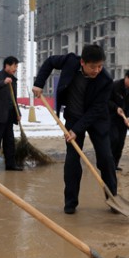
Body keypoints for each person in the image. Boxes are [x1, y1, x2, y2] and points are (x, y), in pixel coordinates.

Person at [32, 44, 117, 215]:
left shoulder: (105, 80)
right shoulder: (70, 61)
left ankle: (113, 199)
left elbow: (97, 109)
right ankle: (70, 202)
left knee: (106, 158)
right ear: (82, 62)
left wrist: (76, 130)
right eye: (93, 67)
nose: (97, 70)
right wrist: (39, 83)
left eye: (100, 66)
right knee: (72, 160)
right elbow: (49, 62)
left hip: (96, 120)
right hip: (73, 116)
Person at [108, 68, 129, 170]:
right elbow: (107, 100)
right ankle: (108, 165)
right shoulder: (115, 86)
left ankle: (114, 165)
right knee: (114, 139)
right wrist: (116, 108)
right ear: (126, 77)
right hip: (111, 118)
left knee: (120, 143)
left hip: (124, 120)